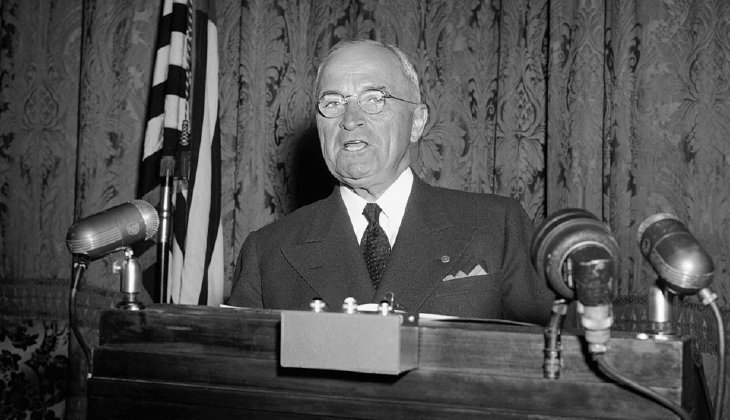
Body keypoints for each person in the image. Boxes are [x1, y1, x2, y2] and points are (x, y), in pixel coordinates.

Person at [227, 39, 554, 324]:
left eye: (374, 99)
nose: (350, 120)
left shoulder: (497, 226)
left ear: (417, 122)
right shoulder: (268, 251)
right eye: (333, 103)